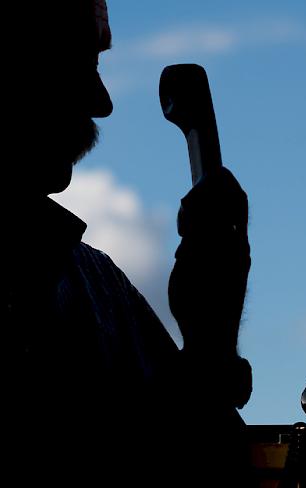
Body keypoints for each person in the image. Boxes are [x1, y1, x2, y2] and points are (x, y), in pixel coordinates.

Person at [2, 1, 253, 483]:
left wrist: (210, 341)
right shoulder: (77, 286)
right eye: (79, 64)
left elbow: (202, 456)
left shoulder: (94, 282)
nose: (102, 101)